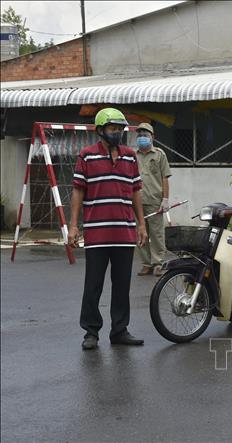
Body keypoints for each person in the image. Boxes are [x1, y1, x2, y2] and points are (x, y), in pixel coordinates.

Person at [68, 108, 148, 350]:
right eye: (113, 129)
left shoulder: (130, 156)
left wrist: (141, 224)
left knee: (122, 285)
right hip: (97, 233)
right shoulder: (87, 156)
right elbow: (78, 190)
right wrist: (73, 226)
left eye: (120, 129)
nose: (118, 133)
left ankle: (120, 330)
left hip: (124, 232)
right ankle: (91, 332)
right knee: (93, 285)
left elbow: (136, 191)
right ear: (100, 130)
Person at [134, 122, 172, 277]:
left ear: (152, 137)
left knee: (156, 234)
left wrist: (165, 199)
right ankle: (146, 264)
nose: (142, 138)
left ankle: (158, 263)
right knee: (140, 234)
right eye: (140, 135)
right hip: (137, 201)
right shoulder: (133, 155)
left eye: (145, 135)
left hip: (155, 201)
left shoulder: (159, 154)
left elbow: (164, 177)